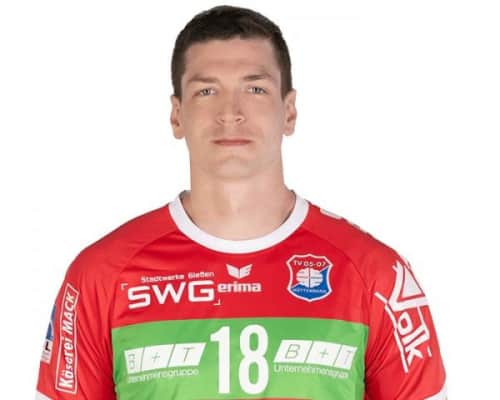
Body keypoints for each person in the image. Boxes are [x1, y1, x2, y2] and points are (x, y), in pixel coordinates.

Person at [35, 5, 447, 400]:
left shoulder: (377, 277)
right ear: (176, 115)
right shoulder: (100, 277)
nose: (230, 113)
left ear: (289, 111)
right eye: (206, 91)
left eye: (255, 89)